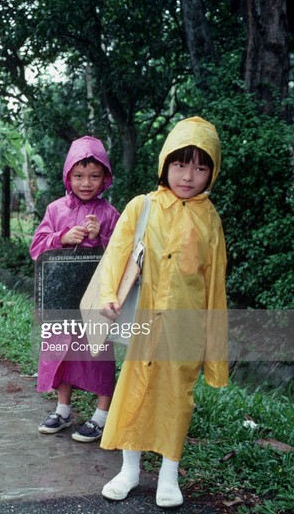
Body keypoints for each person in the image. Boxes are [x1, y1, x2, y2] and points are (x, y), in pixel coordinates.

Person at [97, 117, 228, 508]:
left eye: (201, 167)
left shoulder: (210, 219)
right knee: (135, 391)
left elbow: (215, 285)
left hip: (186, 328)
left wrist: (214, 354)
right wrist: (107, 295)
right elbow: (116, 254)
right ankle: (130, 470)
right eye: (180, 164)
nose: (189, 175)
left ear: (212, 172)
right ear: (165, 164)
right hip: (143, 322)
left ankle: (168, 476)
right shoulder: (143, 206)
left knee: (178, 398)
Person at [29, 136, 120, 443]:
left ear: (105, 178)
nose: (86, 183)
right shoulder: (55, 210)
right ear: (68, 175)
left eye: (94, 176)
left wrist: (102, 237)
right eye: (79, 176)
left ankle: (102, 415)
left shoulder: (110, 214)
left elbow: (126, 257)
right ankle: (63, 409)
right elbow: (36, 248)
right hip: (62, 298)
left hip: (96, 298)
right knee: (61, 352)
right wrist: (62, 237)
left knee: (98, 353)